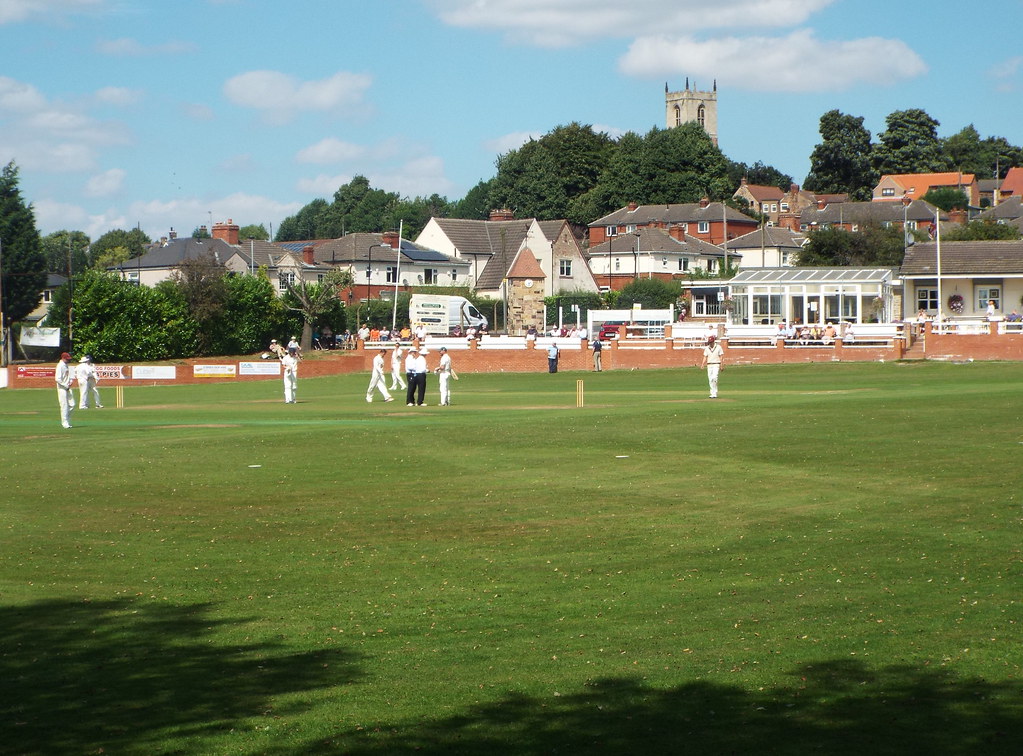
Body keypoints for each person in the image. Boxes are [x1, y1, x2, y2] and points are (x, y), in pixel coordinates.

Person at [701, 334, 724, 399]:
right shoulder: (707, 348)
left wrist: (722, 365)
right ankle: (712, 393)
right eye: (709, 343)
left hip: (716, 364)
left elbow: (721, 356)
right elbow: (705, 357)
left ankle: (715, 393)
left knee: (714, 378)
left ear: (713, 341)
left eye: (711, 342)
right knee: (710, 379)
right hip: (709, 365)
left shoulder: (718, 347)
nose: (710, 344)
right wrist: (703, 364)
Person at [55, 352, 74, 428]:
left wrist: (70, 381)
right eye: (67, 359)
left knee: (72, 404)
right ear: (63, 358)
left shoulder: (66, 365)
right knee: (64, 405)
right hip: (62, 388)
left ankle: (67, 420)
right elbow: (57, 379)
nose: (68, 360)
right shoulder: (60, 366)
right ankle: (64, 422)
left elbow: (67, 376)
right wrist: (65, 385)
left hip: (68, 387)